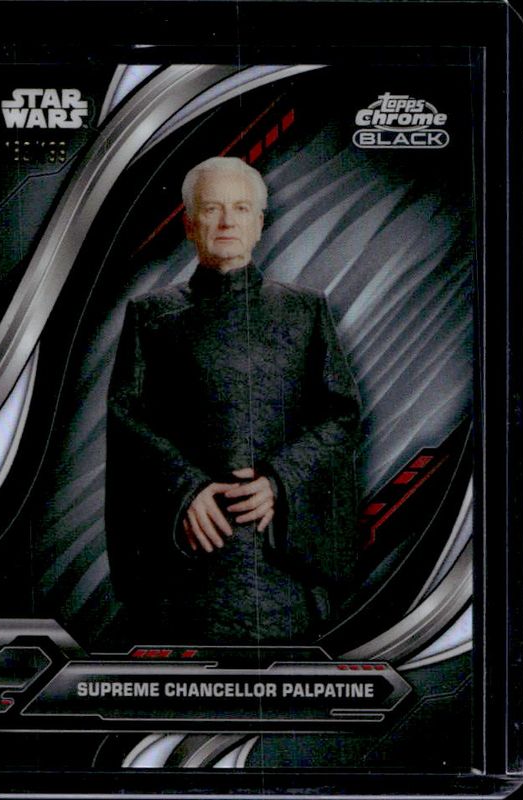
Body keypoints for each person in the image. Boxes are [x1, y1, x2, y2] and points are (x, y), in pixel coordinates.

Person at [105, 156, 360, 644]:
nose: (226, 222)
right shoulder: (151, 315)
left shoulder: (305, 310)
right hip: (187, 563)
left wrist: (281, 481)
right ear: (188, 225)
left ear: (259, 224)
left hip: (280, 563)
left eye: (241, 209)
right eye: (212, 209)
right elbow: (126, 419)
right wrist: (183, 488)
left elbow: (341, 414)